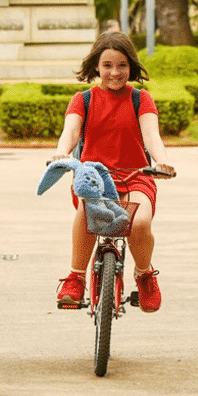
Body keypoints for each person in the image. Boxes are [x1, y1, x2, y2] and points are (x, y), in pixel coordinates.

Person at [52, 31, 175, 313]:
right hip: (93, 176)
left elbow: (152, 136)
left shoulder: (141, 99)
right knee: (88, 212)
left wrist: (162, 161)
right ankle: (75, 277)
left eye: (122, 65)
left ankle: (144, 274)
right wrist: (61, 152)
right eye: (107, 65)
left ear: (131, 66)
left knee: (139, 222)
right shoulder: (82, 99)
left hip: (136, 175)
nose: (115, 72)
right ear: (96, 66)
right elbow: (70, 131)